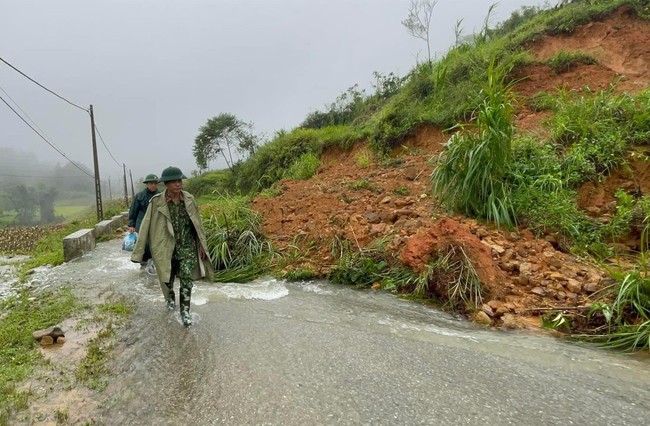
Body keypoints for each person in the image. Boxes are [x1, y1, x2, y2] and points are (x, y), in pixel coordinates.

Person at [131, 166, 213, 327]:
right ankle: (169, 299)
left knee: (187, 278)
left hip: (187, 246)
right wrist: (138, 252)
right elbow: (146, 225)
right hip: (165, 247)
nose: (178, 184)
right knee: (167, 278)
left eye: (179, 180)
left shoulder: (189, 198)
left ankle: (185, 312)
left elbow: (197, 223)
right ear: (166, 184)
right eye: (174, 181)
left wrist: (202, 245)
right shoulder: (156, 202)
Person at [128, 173, 160, 271]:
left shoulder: (161, 195)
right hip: (142, 222)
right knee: (144, 243)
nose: (153, 185)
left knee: (156, 242)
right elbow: (133, 210)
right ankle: (143, 262)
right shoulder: (140, 196)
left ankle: (155, 261)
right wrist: (131, 224)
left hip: (156, 223)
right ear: (147, 184)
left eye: (155, 183)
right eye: (151, 183)